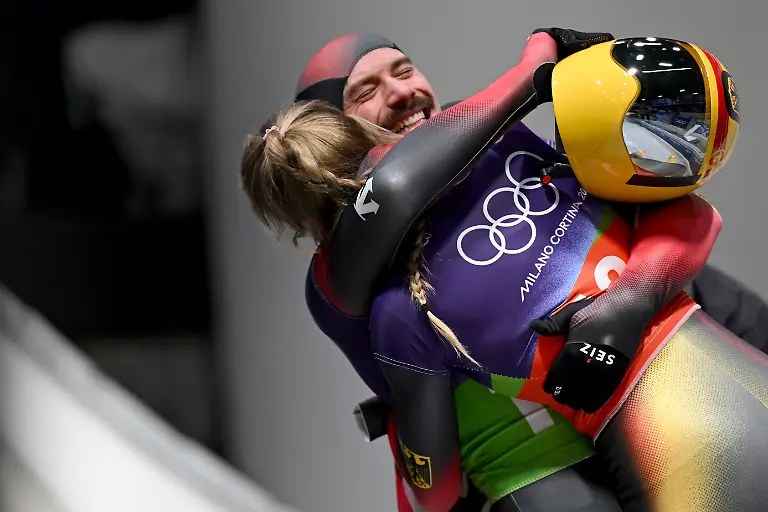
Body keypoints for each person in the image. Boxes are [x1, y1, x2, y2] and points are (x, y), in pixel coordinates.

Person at [243, 31, 767, 512]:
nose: (402, 93)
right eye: (365, 91)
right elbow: (393, 191)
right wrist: (535, 67)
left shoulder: (502, 144)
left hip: (663, 357)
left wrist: (631, 299)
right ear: (333, 131)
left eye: (404, 70)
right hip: (543, 460)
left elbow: (685, 211)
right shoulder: (364, 286)